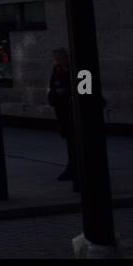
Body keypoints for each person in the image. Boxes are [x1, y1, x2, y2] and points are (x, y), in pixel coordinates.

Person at [47, 48, 76, 184]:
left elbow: (85, 92)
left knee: (76, 140)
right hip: (64, 111)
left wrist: (64, 92)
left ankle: (74, 168)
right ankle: (73, 167)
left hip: (75, 112)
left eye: (60, 59)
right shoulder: (57, 70)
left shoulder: (79, 69)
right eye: (56, 60)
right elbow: (52, 88)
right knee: (71, 140)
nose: (57, 62)